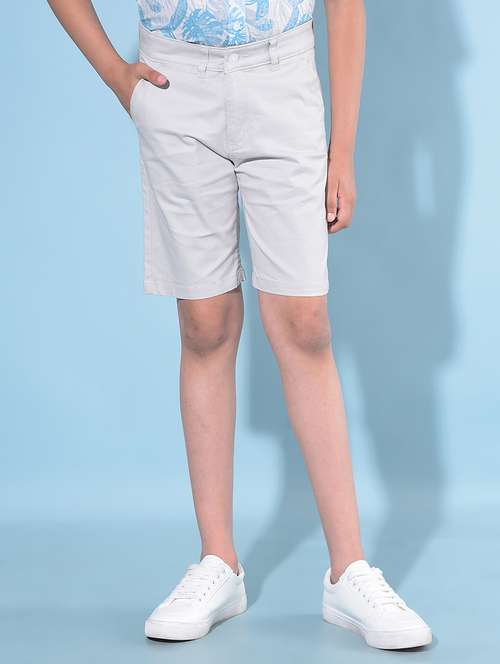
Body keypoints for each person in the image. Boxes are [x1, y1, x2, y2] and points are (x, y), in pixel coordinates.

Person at [47, 0, 432, 650]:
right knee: (204, 324)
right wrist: (116, 74)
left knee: (304, 323)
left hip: (281, 79)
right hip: (174, 83)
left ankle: (349, 571)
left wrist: (342, 149)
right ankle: (217, 562)